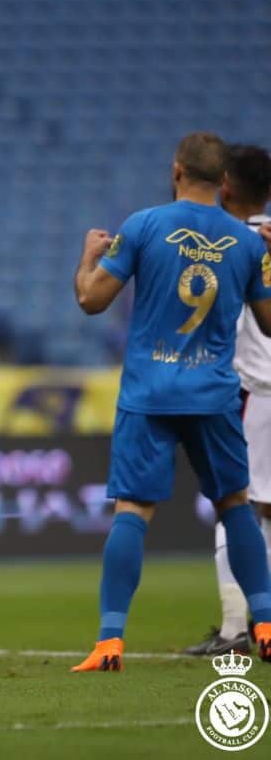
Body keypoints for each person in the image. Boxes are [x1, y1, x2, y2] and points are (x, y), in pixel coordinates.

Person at [72, 133, 271, 671]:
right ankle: (266, 625)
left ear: (177, 169)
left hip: (150, 391)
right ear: (224, 181)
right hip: (213, 393)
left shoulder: (142, 225)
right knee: (235, 506)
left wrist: (89, 257)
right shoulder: (249, 243)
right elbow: (270, 324)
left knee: (132, 512)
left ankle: (110, 641)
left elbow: (92, 299)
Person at [183, 144, 271, 656]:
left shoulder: (226, 242)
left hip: (253, 392)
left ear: (225, 186)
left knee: (234, 506)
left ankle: (237, 630)